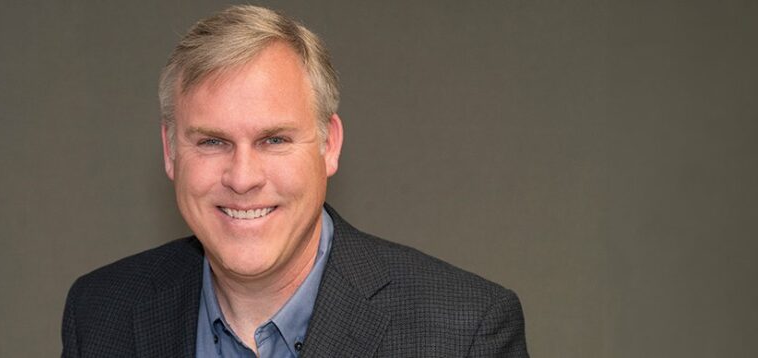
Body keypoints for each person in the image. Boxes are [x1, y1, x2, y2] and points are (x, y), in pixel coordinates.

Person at [61, 5, 528, 357]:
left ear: (329, 145)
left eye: (274, 139)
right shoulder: (101, 315)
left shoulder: (463, 333)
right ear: (170, 151)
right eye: (211, 142)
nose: (243, 178)